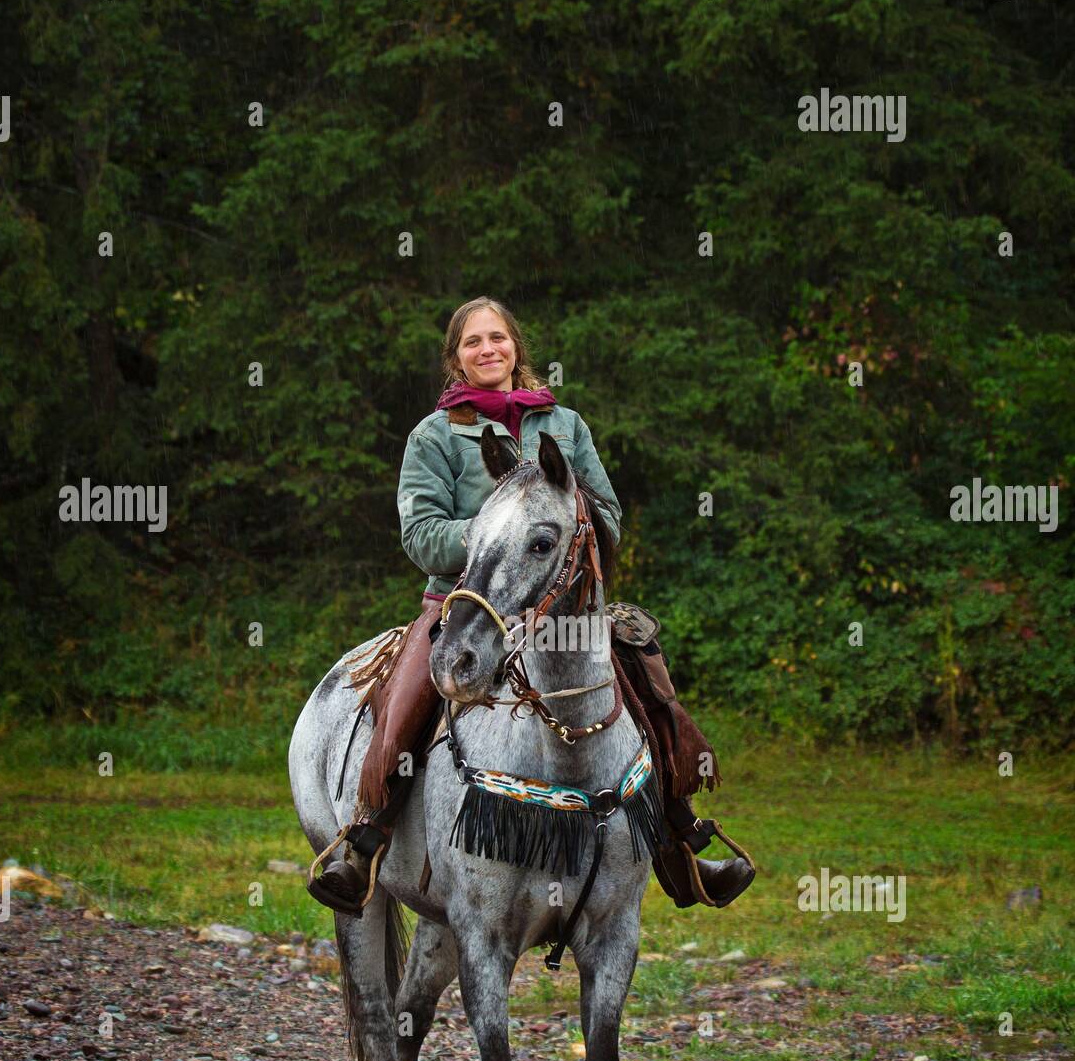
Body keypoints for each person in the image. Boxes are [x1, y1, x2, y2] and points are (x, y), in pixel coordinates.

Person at [308, 296, 755, 916]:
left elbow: (608, 516)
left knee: (649, 683)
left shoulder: (565, 425)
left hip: (560, 604)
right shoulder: (433, 436)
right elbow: (420, 535)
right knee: (407, 699)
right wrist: (498, 536)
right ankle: (366, 839)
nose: (488, 349)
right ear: (456, 358)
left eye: (498, 337)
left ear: (516, 346)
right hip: (467, 605)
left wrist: (557, 536)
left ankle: (680, 839)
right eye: (473, 342)